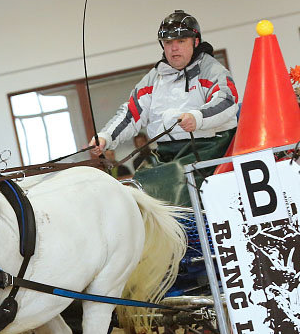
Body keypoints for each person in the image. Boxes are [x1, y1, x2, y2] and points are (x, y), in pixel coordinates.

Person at [89, 10, 237, 202]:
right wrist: (105, 137)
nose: (174, 48)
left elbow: (226, 101)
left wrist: (197, 118)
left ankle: (192, 231)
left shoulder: (212, 70)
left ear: (196, 42)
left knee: (177, 187)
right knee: (141, 186)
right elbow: (131, 114)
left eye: (181, 41)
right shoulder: (153, 78)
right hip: (167, 153)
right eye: (168, 43)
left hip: (211, 148)